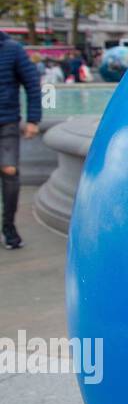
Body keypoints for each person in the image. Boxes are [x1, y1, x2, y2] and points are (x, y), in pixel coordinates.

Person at [1, 31, 44, 249]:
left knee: (9, 171)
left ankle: (8, 227)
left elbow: (32, 84)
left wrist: (33, 119)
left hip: (6, 122)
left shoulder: (12, 49)